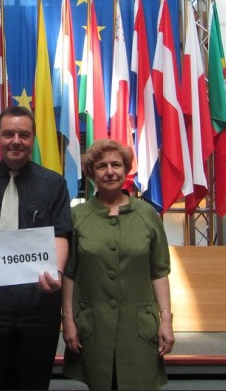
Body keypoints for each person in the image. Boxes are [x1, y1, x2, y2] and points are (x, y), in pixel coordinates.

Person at [0, 106, 72, 390]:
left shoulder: (54, 183)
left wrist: (56, 271)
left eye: (24, 134)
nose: (16, 140)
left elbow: (61, 234)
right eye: (9, 134)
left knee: (33, 383)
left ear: (33, 139)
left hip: (38, 305)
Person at [61, 138, 175, 390]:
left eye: (116, 165)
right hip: (94, 326)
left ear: (126, 170)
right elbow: (69, 273)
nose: (110, 171)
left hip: (138, 328)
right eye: (101, 166)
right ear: (91, 173)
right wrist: (68, 320)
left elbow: (159, 272)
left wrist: (166, 320)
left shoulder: (147, 215)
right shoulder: (77, 216)